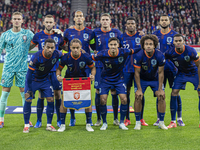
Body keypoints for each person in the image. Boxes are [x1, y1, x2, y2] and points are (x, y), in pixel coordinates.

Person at [92, 37, 140, 130]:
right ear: (108, 45)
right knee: (103, 100)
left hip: (119, 79)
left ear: (118, 45)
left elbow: (135, 50)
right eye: (111, 45)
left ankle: (121, 122)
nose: (113, 46)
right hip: (105, 79)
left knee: (124, 99)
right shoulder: (102, 54)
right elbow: (90, 58)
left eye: (115, 44)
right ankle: (104, 123)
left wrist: (144, 46)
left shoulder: (124, 52)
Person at [29, 14, 66, 128]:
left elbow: (66, 49)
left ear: (54, 23)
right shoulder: (38, 35)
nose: (49, 24)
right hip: (42, 71)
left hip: (55, 70)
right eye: (47, 22)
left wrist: (63, 35)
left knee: (57, 95)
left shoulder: (58, 36)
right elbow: (28, 48)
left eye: (51, 22)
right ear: (43, 23)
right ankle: (39, 120)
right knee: (41, 96)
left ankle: (59, 120)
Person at [0, 12, 34, 128]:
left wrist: (27, 48)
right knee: (5, 93)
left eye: (18, 19)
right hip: (8, 68)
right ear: (11, 20)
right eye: (14, 19)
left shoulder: (28, 33)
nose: (16, 21)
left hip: (22, 68)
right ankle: (1, 119)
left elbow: (37, 41)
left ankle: (27, 120)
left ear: (22, 21)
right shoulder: (5, 35)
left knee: (24, 94)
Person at [23, 39, 63, 133]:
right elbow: (29, 74)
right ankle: (26, 125)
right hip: (33, 80)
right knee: (28, 99)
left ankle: (49, 125)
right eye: (48, 47)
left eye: (52, 48)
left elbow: (67, 55)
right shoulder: (36, 57)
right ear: (44, 47)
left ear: (54, 48)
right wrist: (29, 89)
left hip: (45, 80)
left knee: (51, 99)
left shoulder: (56, 54)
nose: (50, 49)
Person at [63, 10, 95, 126]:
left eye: (81, 16)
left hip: (86, 67)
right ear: (74, 18)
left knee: (86, 92)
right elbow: (63, 45)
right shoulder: (68, 31)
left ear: (84, 18)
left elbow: (94, 47)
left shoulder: (90, 32)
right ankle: (72, 117)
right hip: (72, 65)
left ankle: (88, 120)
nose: (79, 18)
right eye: (77, 16)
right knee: (71, 92)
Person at [56, 38, 96, 132]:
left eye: (77, 48)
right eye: (73, 47)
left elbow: (93, 68)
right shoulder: (65, 57)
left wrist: (92, 75)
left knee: (87, 102)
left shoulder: (85, 56)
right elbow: (59, 69)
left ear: (80, 47)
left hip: (83, 81)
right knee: (64, 102)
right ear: (70, 47)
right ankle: (62, 125)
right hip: (69, 82)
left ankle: (88, 123)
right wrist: (58, 76)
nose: (75, 50)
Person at [153, 15, 184, 126]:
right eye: (162, 20)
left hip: (172, 68)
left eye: (166, 20)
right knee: (159, 93)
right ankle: (158, 118)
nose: (164, 22)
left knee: (175, 93)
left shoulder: (175, 35)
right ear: (159, 21)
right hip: (158, 69)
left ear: (169, 21)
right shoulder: (154, 35)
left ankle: (179, 118)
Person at [165, 34, 200, 128]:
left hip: (194, 73)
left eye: (180, 41)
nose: (178, 43)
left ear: (183, 41)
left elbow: (198, 65)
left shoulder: (191, 50)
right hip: (181, 73)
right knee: (174, 92)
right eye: (176, 41)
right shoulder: (170, 52)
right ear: (173, 42)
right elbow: (162, 59)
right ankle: (173, 121)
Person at [133, 34, 168, 130]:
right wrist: (139, 89)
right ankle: (137, 123)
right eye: (146, 44)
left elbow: (161, 73)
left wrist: (160, 89)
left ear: (154, 45)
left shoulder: (160, 55)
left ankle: (161, 122)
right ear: (143, 45)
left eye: (150, 44)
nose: (148, 46)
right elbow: (136, 74)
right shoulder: (139, 55)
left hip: (155, 79)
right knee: (138, 97)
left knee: (161, 96)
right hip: (142, 79)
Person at [93, 13, 122, 126]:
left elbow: (122, 45)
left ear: (110, 21)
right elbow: (91, 44)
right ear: (100, 21)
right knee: (98, 91)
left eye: (107, 19)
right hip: (100, 66)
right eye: (103, 19)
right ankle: (99, 119)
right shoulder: (95, 32)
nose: (105, 21)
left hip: (114, 66)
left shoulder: (117, 32)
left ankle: (115, 118)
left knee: (114, 91)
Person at [120, 17, 147, 126]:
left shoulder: (141, 37)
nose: (131, 25)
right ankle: (127, 118)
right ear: (126, 25)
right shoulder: (121, 37)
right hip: (125, 69)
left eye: (132, 23)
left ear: (136, 25)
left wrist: (144, 36)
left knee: (140, 94)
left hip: (138, 70)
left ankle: (140, 118)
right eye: (129, 23)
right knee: (125, 94)